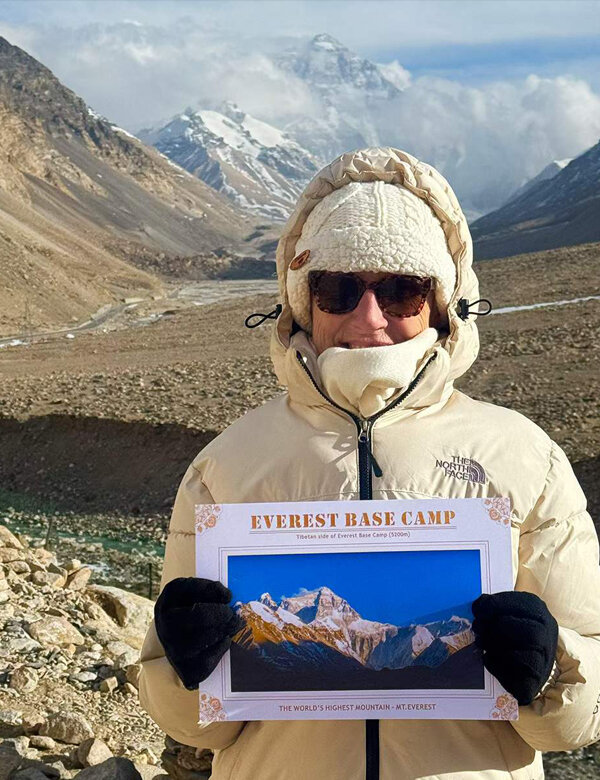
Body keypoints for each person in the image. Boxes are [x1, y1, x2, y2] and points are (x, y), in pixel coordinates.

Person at [139, 147, 600, 780]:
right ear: (303, 302)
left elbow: (581, 713)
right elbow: (198, 727)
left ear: (442, 303)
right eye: (339, 288)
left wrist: (551, 668)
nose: (369, 318)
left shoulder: (525, 458)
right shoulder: (225, 466)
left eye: (403, 290)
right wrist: (186, 668)